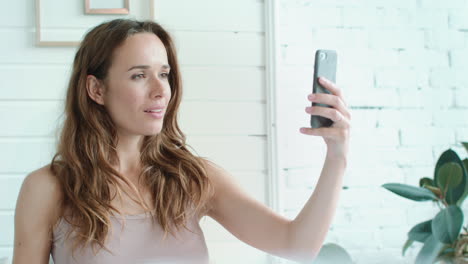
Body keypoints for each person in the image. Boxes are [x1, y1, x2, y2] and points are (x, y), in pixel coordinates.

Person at [12, 18, 351, 264]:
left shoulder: (193, 177)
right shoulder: (48, 188)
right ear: (96, 89)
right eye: (139, 75)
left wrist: (337, 157)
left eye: (164, 74)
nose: (160, 91)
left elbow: (297, 245)